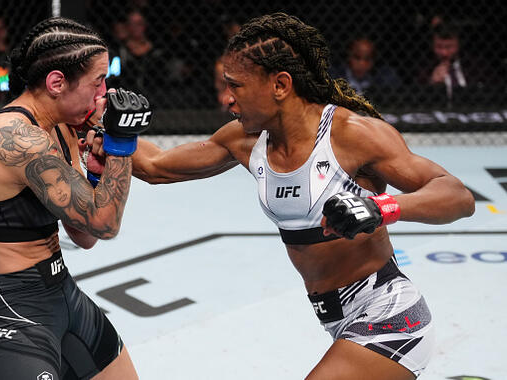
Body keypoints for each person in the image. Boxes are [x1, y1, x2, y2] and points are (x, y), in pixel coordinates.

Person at [126, 13, 474, 379]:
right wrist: (101, 122)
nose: (227, 98)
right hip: (337, 321)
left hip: (389, 317)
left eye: (237, 86)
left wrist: (380, 207)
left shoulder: (350, 135)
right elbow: (156, 166)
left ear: (280, 85)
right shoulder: (245, 140)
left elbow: (457, 196)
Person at [0, 17, 151, 380]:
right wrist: (121, 144)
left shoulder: (57, 127)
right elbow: (104, 225)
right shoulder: (17, 139)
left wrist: (94, 173)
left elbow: (86, 236)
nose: (104, 94)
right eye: (97, 81)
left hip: (64, 295)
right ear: (57, 82)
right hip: (14, 314)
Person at [416, 22, 498, 107]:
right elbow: (415, 98)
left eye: (449, 47)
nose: (444, 53)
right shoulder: (425, 67)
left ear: (458, 45)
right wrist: (432, 83)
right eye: (439, 47)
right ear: (432, 46)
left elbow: (495, 90)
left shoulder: (477, 65)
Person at [330, 36, 401, 99]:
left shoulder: (383, 76)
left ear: (374, 60)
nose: (362, 63)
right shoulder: (334, 76)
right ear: (348, 57)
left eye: (367, 59)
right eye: (357, 57)